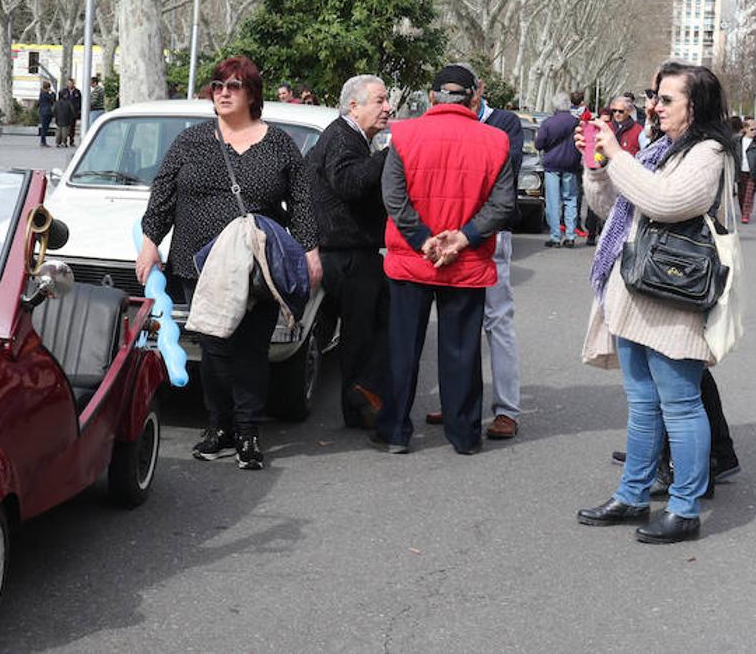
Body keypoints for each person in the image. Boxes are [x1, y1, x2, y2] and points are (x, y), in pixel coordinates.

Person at [575, 63, 736, 544]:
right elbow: (615, 210)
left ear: (696, 105)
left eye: (666, 100)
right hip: (632, 289)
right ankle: (632, 494)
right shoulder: (659, 149)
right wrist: (597, 167)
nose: (654, 106)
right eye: (654, 97)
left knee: (682, 406)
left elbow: (667, 202)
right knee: (643, 404)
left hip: (673, 295)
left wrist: (619, 158)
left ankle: (685, 508)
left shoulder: (708, 153)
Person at [136, 56, 320, 471]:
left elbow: (303, 202)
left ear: (252, 93)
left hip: (258, 267)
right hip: (196, 263)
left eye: (233, 86)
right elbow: (162, 194)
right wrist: (150, 243)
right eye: (217, 85)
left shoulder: (279, 145)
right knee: (215, 349)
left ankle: (249, 432)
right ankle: (217, 428)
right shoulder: (192, 141)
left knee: (251, 350)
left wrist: (310, 250)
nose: (222, 92)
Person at [371, 64, 516, 456]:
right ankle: (464, 434)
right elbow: (503, 205)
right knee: (462, 351)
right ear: (473, 98)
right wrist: (463, 239)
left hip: (410, 259)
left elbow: (394, 198)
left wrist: (423, 241)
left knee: (403, 348)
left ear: (432, 97)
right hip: (465, 261)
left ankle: (395, 431)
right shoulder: (497, 140)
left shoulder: (403, 134)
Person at [424, 68, 526, 440]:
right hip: (444, 237)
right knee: (455, 321)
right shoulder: (438, 123)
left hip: (489, 234)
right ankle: (457, 401)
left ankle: (506, 409)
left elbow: (505, 175)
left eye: (463, 91)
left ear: (477, 91)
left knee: (497, 320)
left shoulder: (505, 124)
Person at [306, 74, 392, 429]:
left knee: (372, 328)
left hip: (352, 252)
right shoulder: (342, 136)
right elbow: (349, 183)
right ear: (353, 106)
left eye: (387, 101)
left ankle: (362, 400)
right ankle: (359, 405)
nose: (388, 108)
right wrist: (389, 155)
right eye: (380, 101)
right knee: (362, 335)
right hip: (347, 255)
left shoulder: (351, 137)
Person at [535, 91, 582, 248]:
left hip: (552, 165)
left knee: (553, 201)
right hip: (571, 164)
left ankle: (555, 236)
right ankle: (570, 235)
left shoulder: (548, 123)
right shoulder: (577, 122)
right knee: (570, 199)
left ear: (555, 105)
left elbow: (539, 144)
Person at [736, 117, 756, 224]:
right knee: (741, 194)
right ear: (745, 129)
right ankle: (744, 211)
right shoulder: (738, 141)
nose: (754, 132)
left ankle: (746, 215)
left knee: (749, 194)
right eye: (752, 129)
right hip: (740, 171)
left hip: (753, 171)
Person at [59, 79, 83, 145]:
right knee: (65, 127)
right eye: (69, 83)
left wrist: (79, 110)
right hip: (65, 112)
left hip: (74, 112)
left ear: (73, 84)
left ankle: (71, 141)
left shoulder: (77, 92)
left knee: (72, 127)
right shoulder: (63, 91)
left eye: (71, 83)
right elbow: (60, 101)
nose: (70, 84)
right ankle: (64, 141)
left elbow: (80, 101)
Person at [37, 81, 56, 147]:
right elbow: (53, 99)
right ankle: (43, 141)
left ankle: (43, 141)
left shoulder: (41, 93)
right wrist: (52, 93)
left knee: (44, 127)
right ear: (48, 88)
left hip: (43, 112)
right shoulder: (46, 94)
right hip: (47, 112)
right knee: (45, 127)